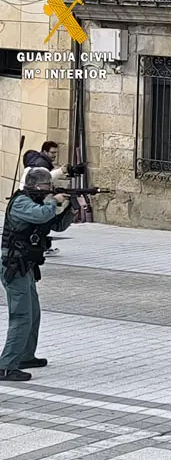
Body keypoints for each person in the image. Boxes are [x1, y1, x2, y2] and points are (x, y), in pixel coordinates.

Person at [0, 168, 76, 381]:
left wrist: (72, 208)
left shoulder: (38, 204)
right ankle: (6, 365)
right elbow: (42, 214)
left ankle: (25, 356)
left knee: (33, 313)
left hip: (26, 265)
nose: (48, 190)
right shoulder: (22, 202)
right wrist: (53, 201)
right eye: (45, 187)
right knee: (21, 316)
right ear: (34, 186)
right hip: (14, 265)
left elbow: (56, 224)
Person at [20, 142, 66, 257]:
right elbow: (45, 177)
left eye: (56, 152)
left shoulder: (40, 161)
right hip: (31, 196)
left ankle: (43, 246)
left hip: (31, 195)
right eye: (52, 152)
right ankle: (41, 247)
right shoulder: (42, 164)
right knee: (42, 222)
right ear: (45, 152)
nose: (54, 155)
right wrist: (61, 171)